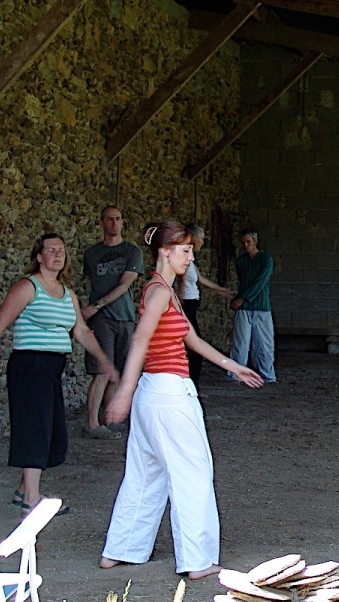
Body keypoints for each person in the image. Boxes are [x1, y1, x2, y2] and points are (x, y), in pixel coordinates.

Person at [100, 221, 263, 579]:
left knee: (146, 473)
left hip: (155, 393)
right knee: (193, 472)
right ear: (165, 251)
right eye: (185, 250)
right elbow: (140, 340)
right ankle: (197, 560)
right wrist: (124, 391)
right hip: (168, 393)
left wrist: (233, 365)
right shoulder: (159, 292)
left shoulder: (165, 291)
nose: (191, 257)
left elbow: (190, 338)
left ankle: (121, 549)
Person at [0, 232, 118, 513]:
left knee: (52, 431)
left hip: (52, 368)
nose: (58, 254)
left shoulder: (67, 293)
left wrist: (103, 360)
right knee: (35, 428)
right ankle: (32, 498)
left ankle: (23, 490)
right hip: (29, 367)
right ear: (39, 256)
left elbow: (80, 329)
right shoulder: (27, 287)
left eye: (62, 250)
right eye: (51, 250)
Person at [81, 206, 143, 439]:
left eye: (118, 219)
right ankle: (92, 424)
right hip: (101, 321)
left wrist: (96, 305)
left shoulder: (132, 251)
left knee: (118, 370)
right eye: (109, 219)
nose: (114, 223)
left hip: (124, 316)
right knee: (101, 371)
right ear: (101, 223)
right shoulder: (92, 254)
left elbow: (125, 284)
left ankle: (110, 420)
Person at [178, 223, 232, 387]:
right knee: (194, 347)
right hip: (186, 304)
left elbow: (199, 278)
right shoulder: (184, 257)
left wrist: (219, 289)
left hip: (191, 303)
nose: (203, 241)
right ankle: (190, 382)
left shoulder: (191, 259)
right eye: (201, 238)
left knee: (192, 345)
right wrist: (179, 303)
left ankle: (191, 381)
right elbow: (180, 280)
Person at [228, 227, 276, 383]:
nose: (245, 245)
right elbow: (244, 283)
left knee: (264, 344)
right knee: (240, 343)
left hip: (261, 306)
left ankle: (267, 375)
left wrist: (243, 299)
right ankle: (236, 374)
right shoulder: (240, 262)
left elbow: (260, 283)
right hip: (245, 308)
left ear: (255, 241)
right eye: (243, 242)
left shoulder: (266, 260)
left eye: (248, 242)